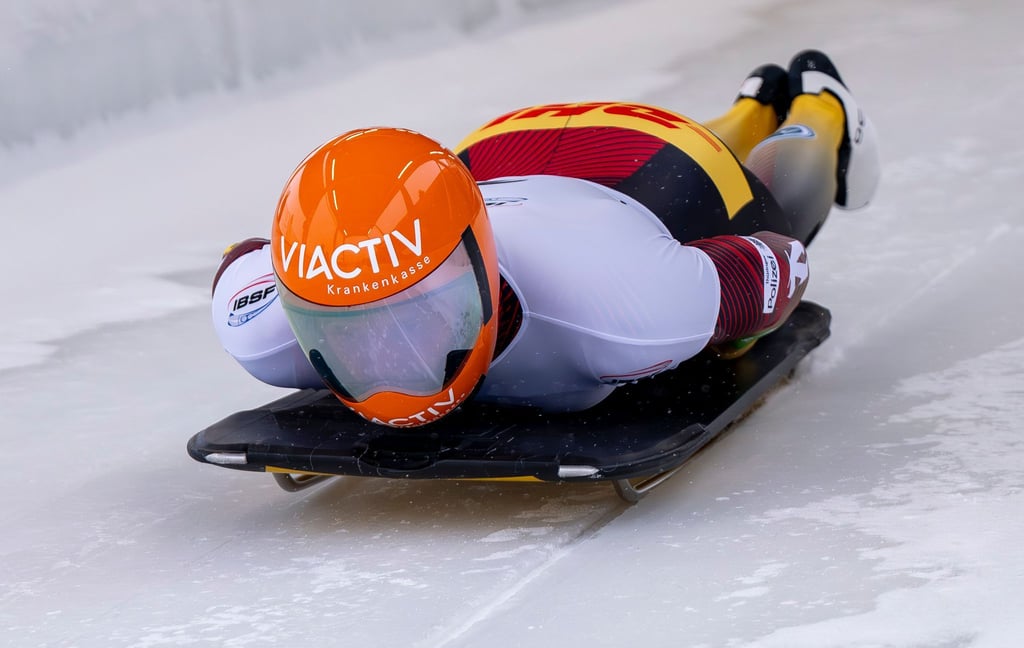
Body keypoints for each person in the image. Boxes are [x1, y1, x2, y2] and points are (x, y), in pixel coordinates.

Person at [211, 49, 879, 428]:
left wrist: (729, 331)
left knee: (773, 211)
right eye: (340, 328)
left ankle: (820, 104)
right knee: (704, 169)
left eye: (417, 312)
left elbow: (777, 261)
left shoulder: (633, 309)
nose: (387, 356)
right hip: (501, 154)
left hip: (654, 177)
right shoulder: (264, 322)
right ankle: (752, 104)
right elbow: (248, 264)